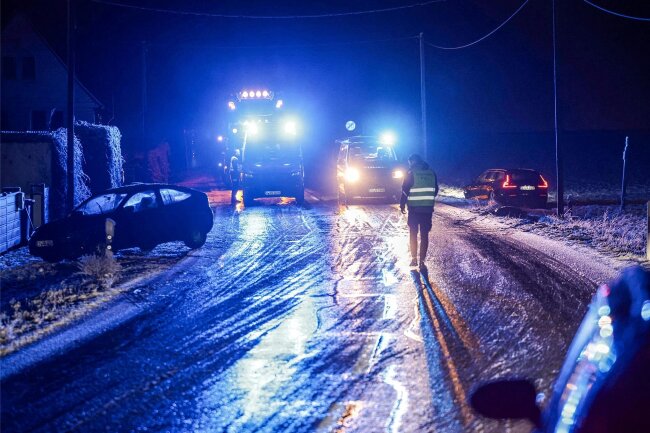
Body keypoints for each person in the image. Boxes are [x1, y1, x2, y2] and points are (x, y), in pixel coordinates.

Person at [400, 153, 439, 270]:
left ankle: (414, 259)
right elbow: (435, 189)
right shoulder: (431, 172)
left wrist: (402, 204)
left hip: (414, 209)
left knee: (413, 233)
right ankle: (422, 260)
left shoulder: (411, 173)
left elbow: (405, 191)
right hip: (427, 209)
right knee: (424, 234)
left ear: (412, 161)